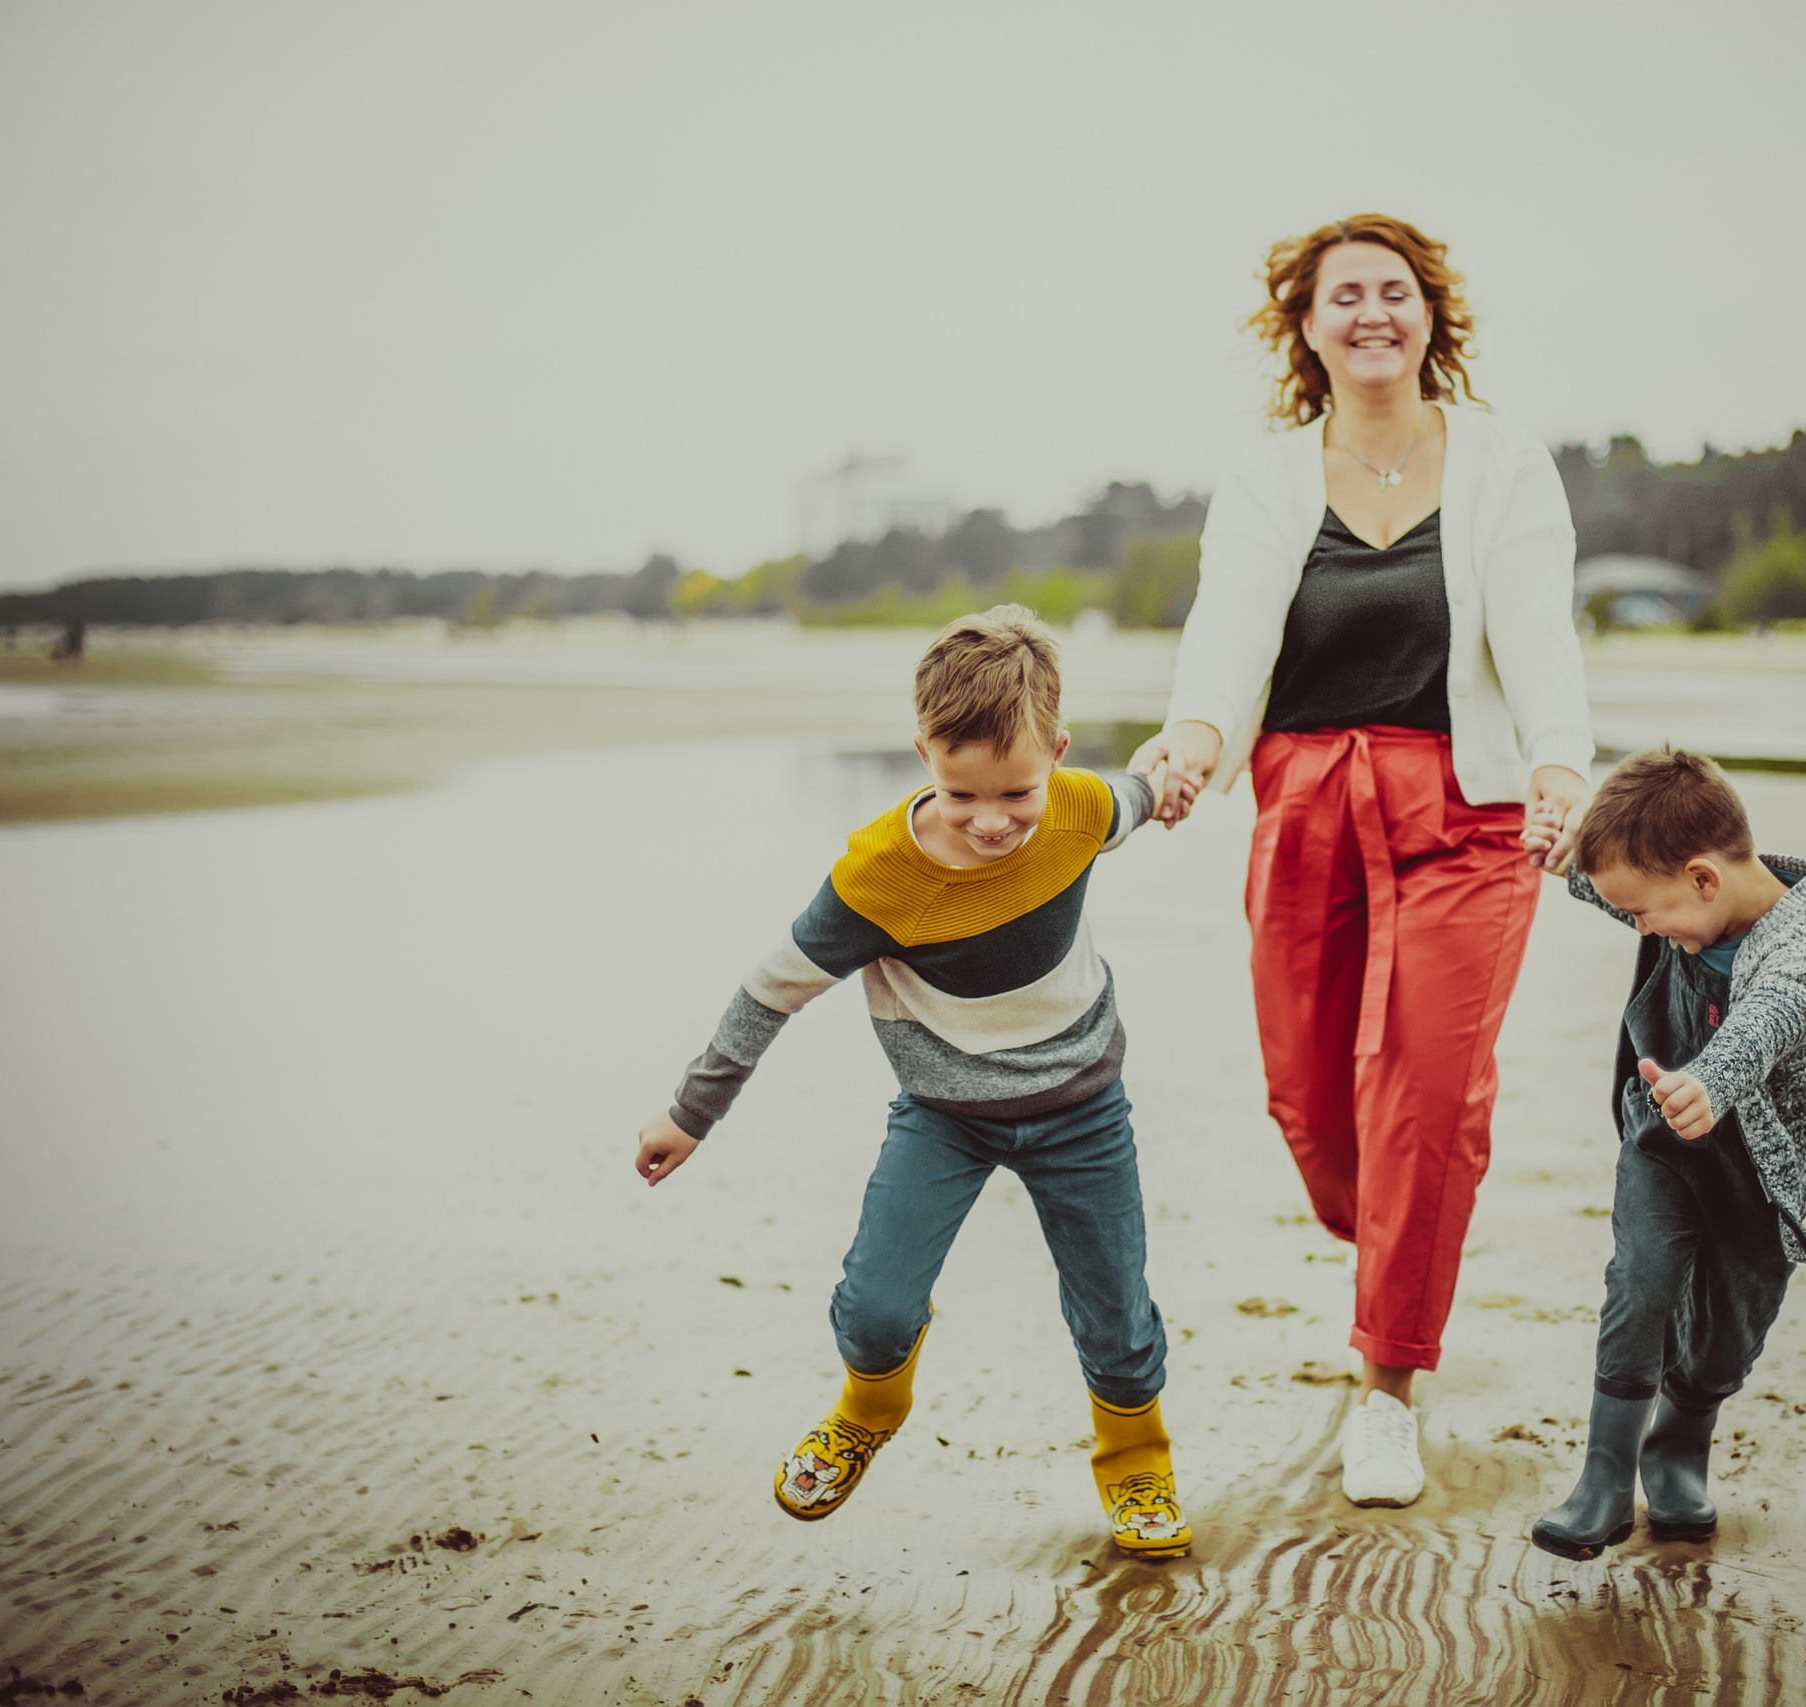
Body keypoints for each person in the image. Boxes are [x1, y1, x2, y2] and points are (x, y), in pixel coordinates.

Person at [1129, 214, 1593, 1508]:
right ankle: (1393, 1229)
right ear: (1309, 327)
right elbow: (1226, 628)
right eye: (1348, 295)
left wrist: (1561, 760)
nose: (1374, 311)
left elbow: (1539, 627)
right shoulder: (1268, 476)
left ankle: (1388, 1382)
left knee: (1426, 1095)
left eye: (1397, 291)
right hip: (1305, 800)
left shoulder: (1504, 463)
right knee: (1315, 1107)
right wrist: (1190, 742)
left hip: (1466, 810)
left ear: (1432, 315)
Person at [631, 607, 1191, 1559]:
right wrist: (693, 1111)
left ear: (1056, 754)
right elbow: (770, 990)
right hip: (945, 1115)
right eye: (961, 791)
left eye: (1017, 791)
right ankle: (865, 1413)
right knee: (876, 1309)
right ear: (923, 750)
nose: (992, 822)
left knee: (1116, 1314)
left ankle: (1136, 1459)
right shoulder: (875, 878)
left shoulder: (1080, 808)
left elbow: (1137, 795)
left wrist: (1165, 780)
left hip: (1082, 1109)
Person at [1529, 749, 1806, 1560]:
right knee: (1638, 1282)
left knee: (1724, 1335)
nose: (1640, 929)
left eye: (1644, 916)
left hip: (1759, 1172)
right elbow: (1623, 885)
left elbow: (1769, 1017)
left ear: (1705, 879)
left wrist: (1711, 1078)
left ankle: (1677, 1444)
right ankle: (1603, 1477)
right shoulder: (1684, 895)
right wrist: (1564, 853)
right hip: (1663, 1137)